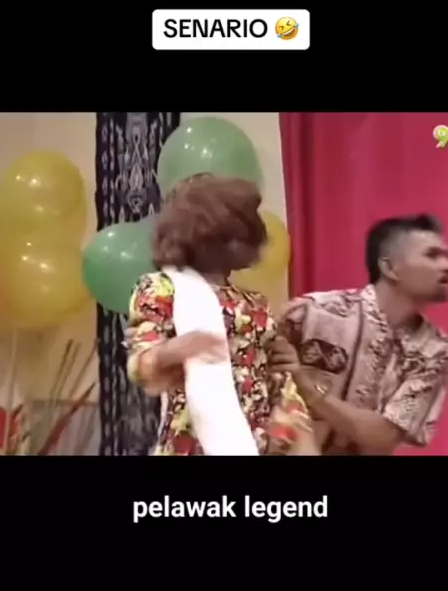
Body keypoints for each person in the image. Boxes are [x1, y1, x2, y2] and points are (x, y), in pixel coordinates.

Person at [126, 173, 319, 456]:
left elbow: (280, 386)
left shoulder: (255, 304)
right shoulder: (161, 289)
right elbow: (141, 367)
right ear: (207, 236)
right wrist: (171, 352)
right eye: (239, 233)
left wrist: (294, 436)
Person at [268, 214, 448, 455]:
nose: (447, 266)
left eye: (446, 256)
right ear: (389, 268)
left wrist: (309, 390)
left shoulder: (434, 349)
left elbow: (384, 436)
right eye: (432, 255)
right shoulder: (312, 313)